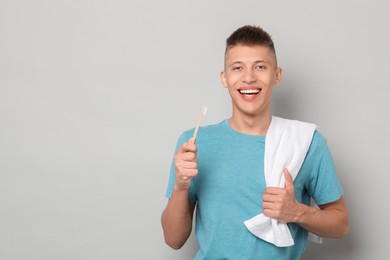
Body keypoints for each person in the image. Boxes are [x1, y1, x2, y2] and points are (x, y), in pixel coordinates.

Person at [161, 25, 349, 259]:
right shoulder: (196, 143)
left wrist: (297, 212)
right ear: (224, 77)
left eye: (260, 67)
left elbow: (341, 224)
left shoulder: (306, 142)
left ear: (277, 75)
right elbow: (173, 239)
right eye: (237, 68)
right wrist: (180, 186)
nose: (249, 77)